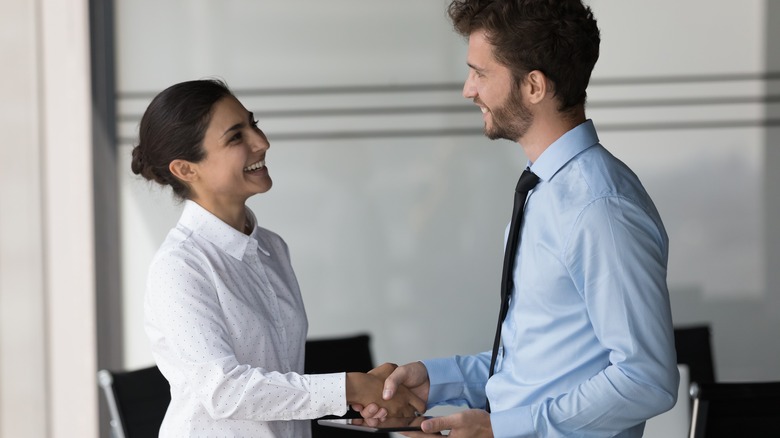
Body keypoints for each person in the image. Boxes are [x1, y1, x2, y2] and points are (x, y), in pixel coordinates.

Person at [356, 1, 679, 437]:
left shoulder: (599, 207)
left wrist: (503, 428)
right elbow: (536, 362)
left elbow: (647, 380)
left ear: (533, 87)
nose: (468, 90)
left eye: (481, 73)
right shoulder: (545, 191)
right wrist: (438, 380)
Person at [132, 79, 425, 437]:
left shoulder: (271, 248)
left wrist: (368, 390)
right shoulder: (180, 267)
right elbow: (223, 391)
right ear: (186, 170)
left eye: (253, 123)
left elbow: (281, 377)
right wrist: (351, 387)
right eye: (236, 137)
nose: (262, 142)